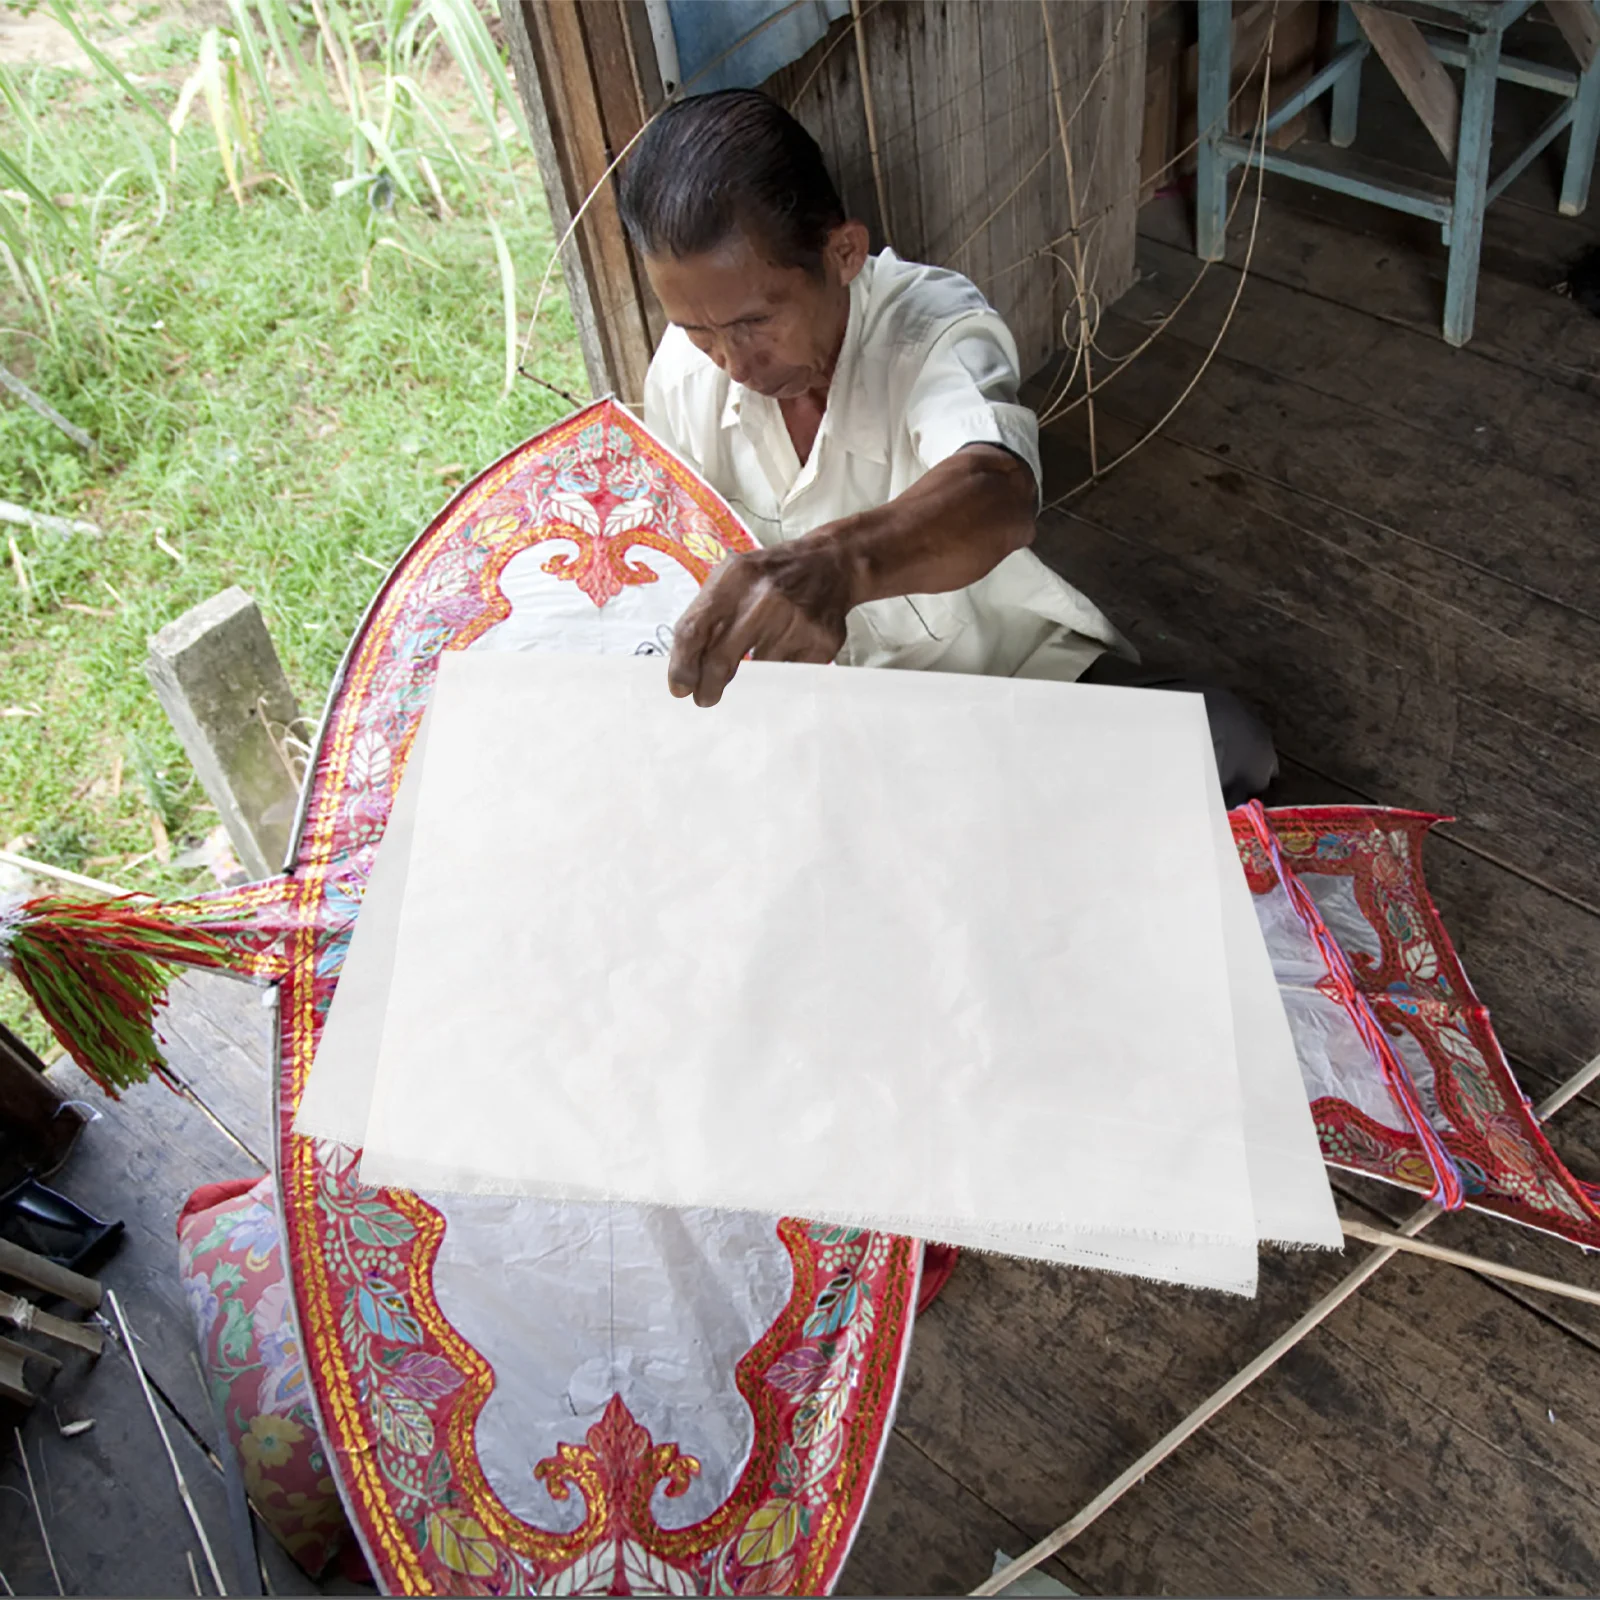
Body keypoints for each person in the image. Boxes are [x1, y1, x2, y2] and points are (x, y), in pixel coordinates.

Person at [619, 89, 1277, 807]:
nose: (734, 363)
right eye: (698, 331)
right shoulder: (685, 376)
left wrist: (838, 566)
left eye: (756, 321)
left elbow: (996, 493)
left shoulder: (929, 331)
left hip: (999, 697)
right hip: (828, 733)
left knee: (1224, 745)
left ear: (842, 253)